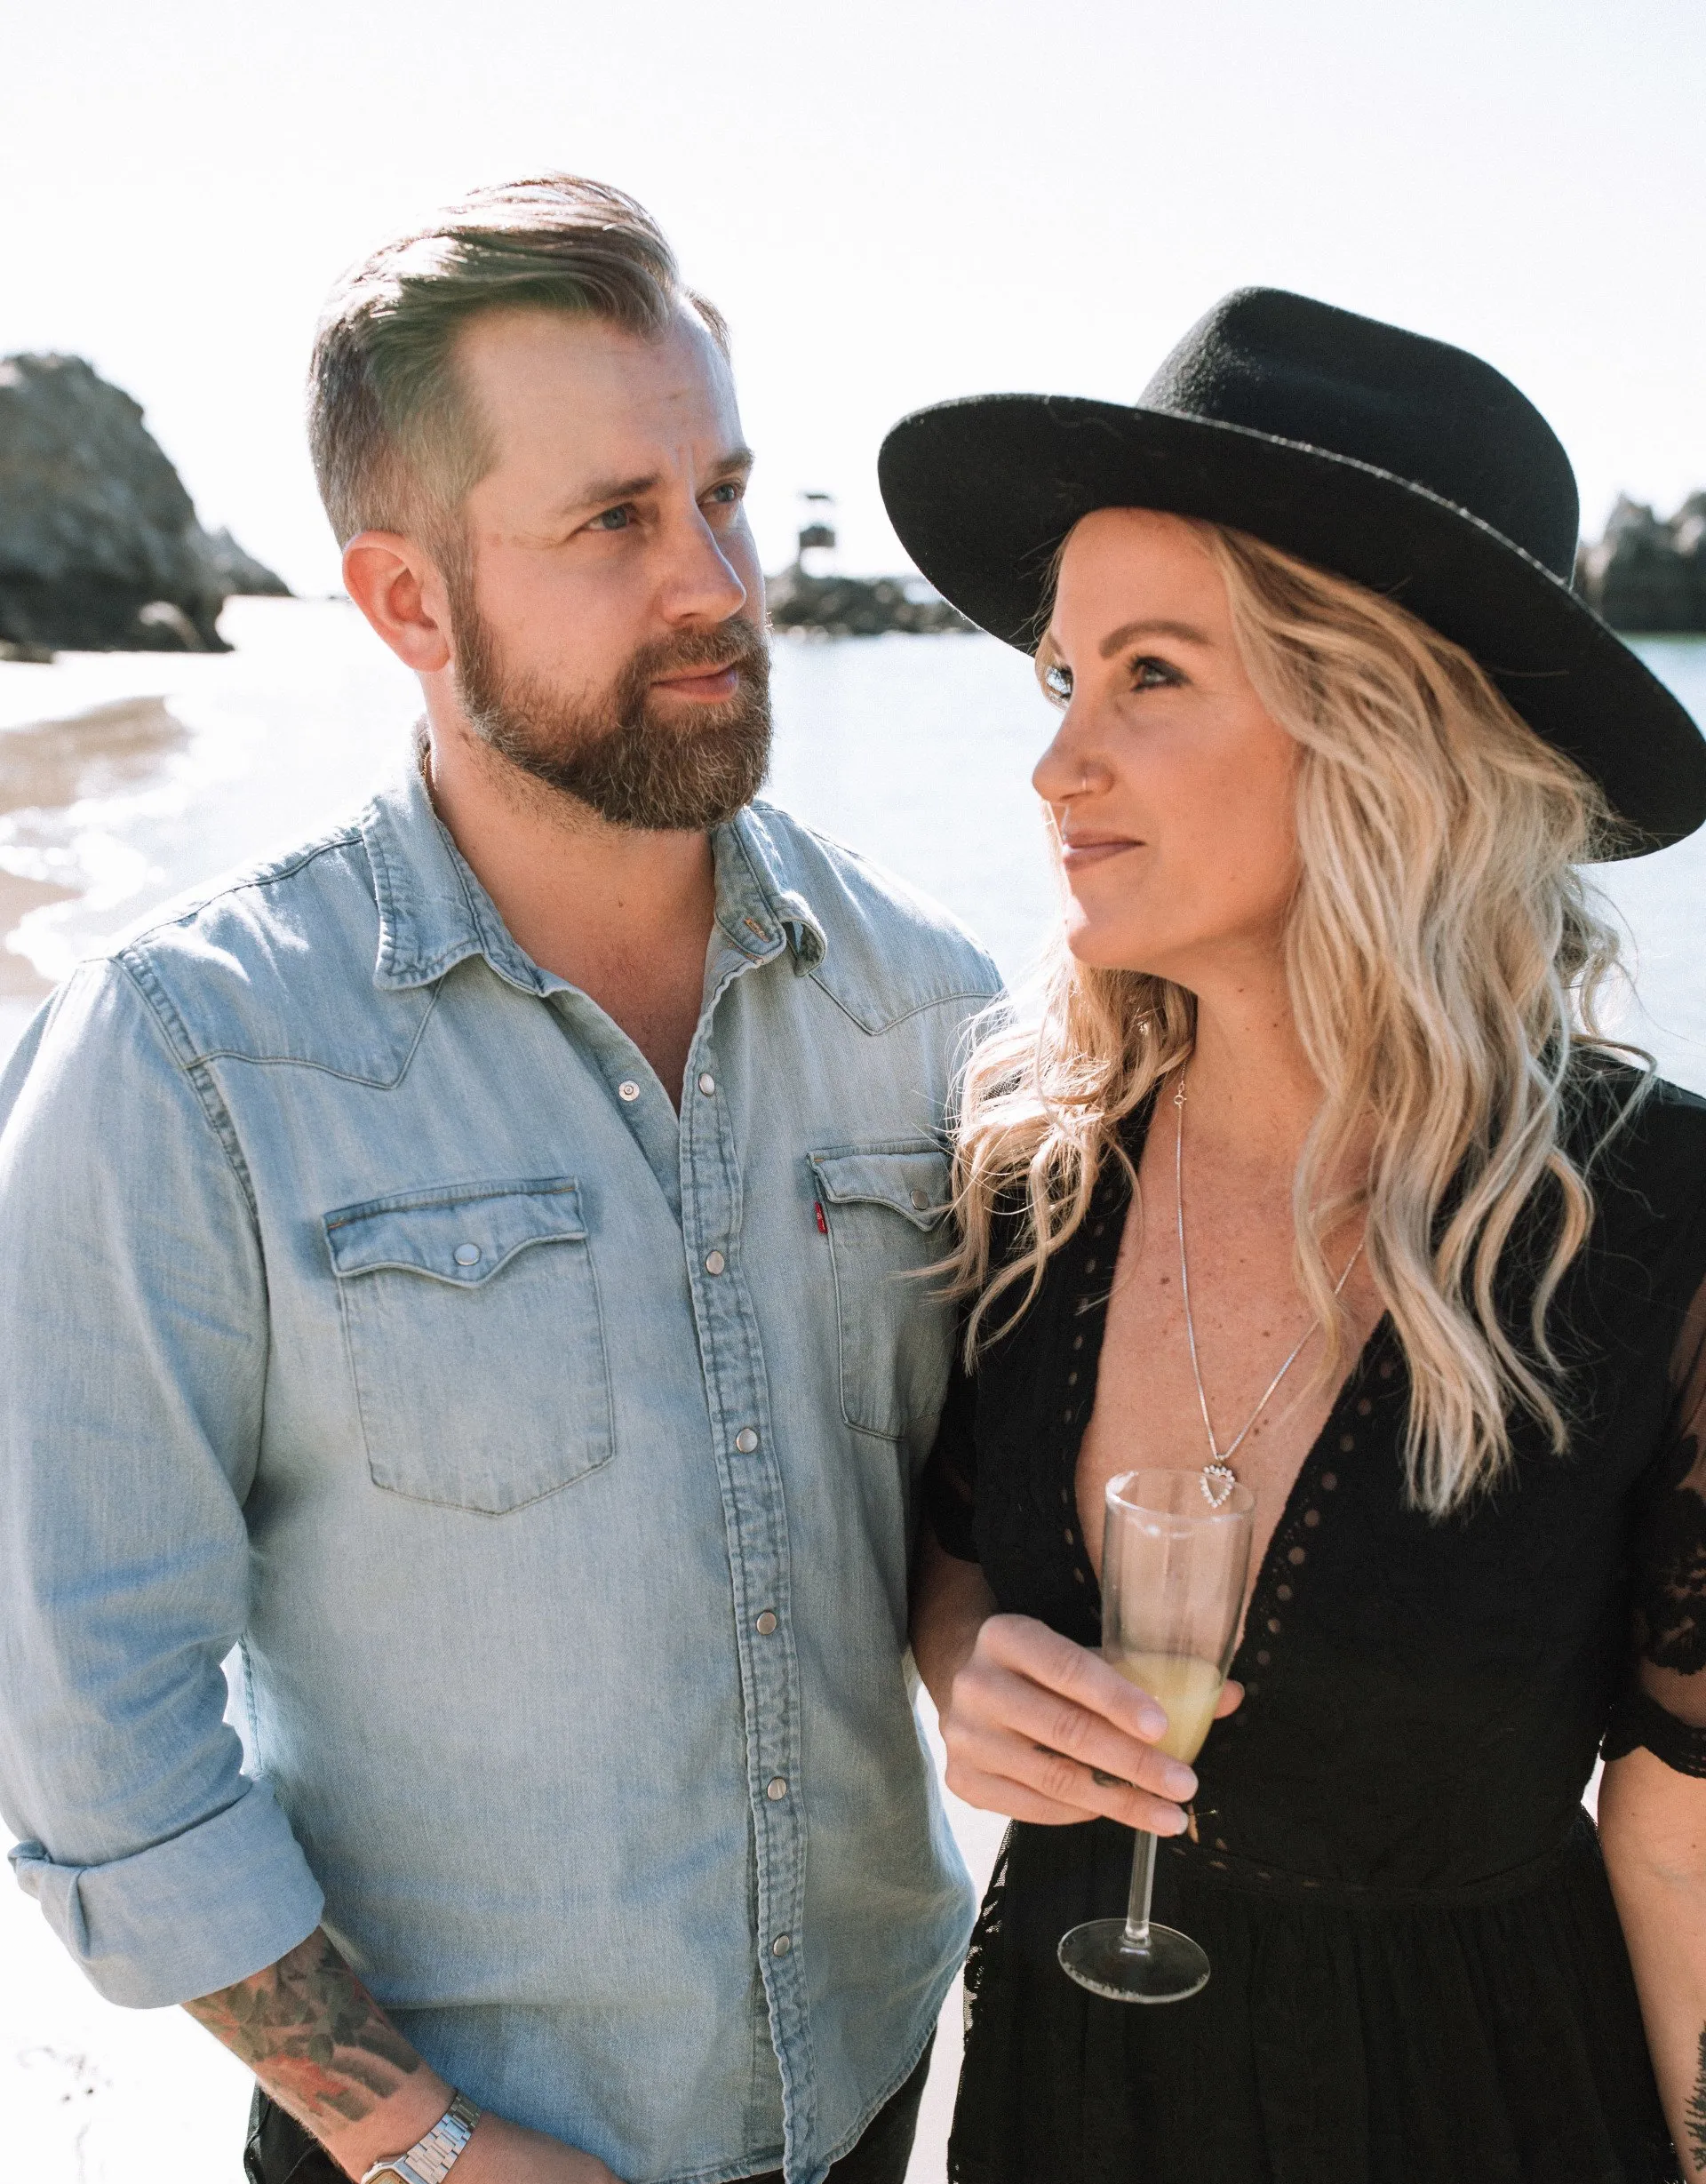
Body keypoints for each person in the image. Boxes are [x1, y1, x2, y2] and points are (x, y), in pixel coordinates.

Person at [0, 175, 996, 2184]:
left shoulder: (927, 1000)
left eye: (723, 491)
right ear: (406, 603)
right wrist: (426, 2140)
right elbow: (87, 1717)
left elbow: (971, 1520)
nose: (716, 579)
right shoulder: (187, 1059)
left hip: (889, 2096)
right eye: (613, 520)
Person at [882, 289, 1706, 2182]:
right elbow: (954, 1565)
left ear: (1378, 725)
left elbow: (1681, 1847)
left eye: (1152, 674)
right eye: (1061, 678)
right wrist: (967, 1675)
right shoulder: (1025, 1176)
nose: (1057, 766)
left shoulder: (1661, 1230)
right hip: (1059, 2113)